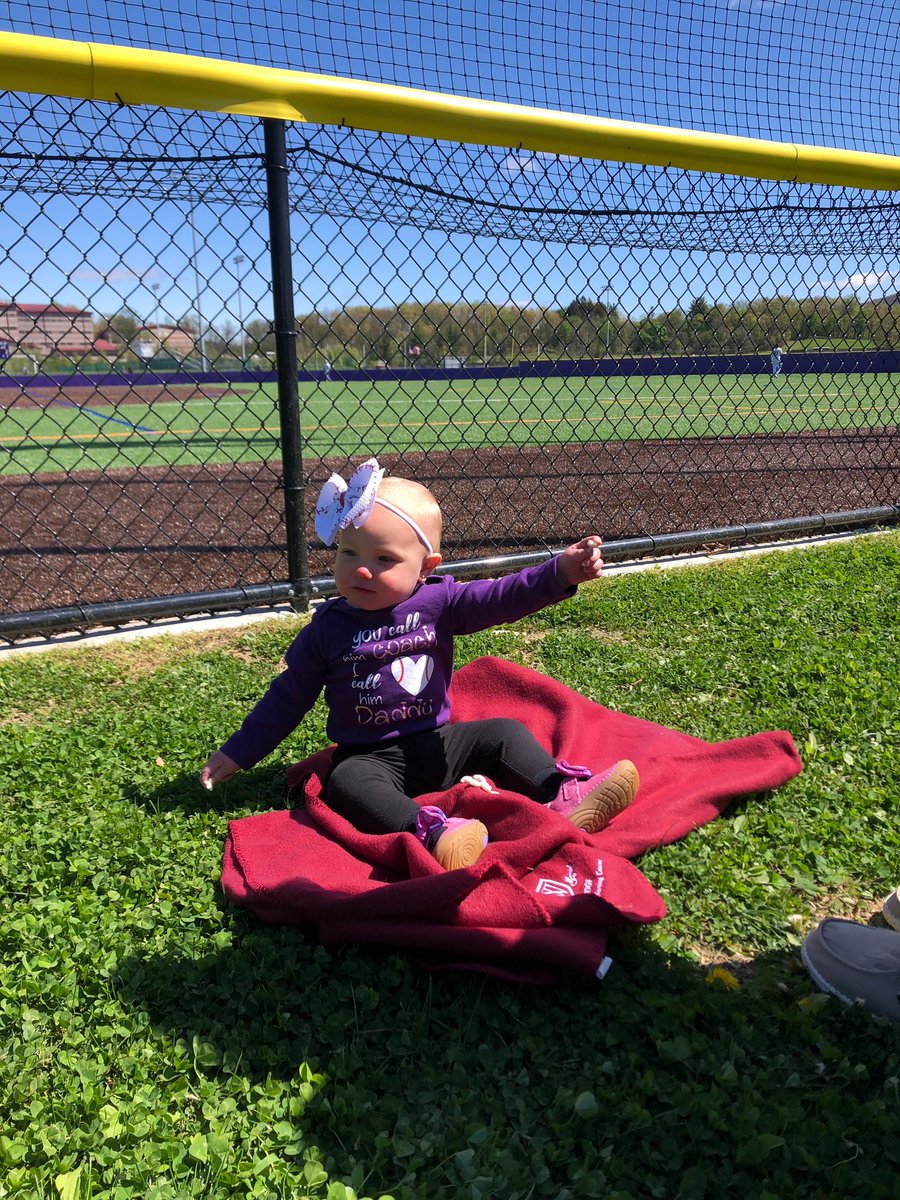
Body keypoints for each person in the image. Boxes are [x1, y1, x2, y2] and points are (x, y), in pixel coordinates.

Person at [201, 458, 639, 870]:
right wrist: (239, 752)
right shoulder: (326, 629)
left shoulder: (440, 602)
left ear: (426, 567)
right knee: (346, 782)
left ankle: (559, 792)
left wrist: (557, 573)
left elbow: (500, 597)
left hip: (440, 744)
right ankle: (433, 834)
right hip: (370, 758)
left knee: (503, 733)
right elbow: (286, 700)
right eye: (349, 553)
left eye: (384, 559)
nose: (361, 570)